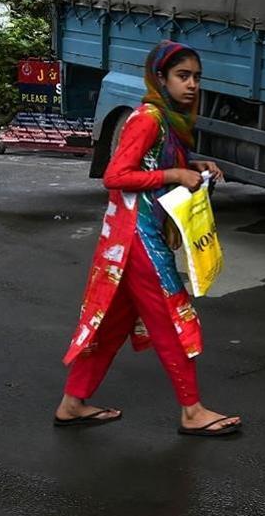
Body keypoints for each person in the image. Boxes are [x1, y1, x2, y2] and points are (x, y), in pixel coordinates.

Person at [53, 40, 241, 437]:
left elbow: (155, 160)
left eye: (196, 77)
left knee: (113, 324)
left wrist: (192, 164)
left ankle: (72, 403)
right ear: (161, 78)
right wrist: (175, 176)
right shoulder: (148, 118)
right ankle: (192, 411)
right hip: (139, 238)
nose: (191, 85)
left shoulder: (169, 120)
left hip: (136, 236)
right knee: (174, 318)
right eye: (182, 76)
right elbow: (115, 176)